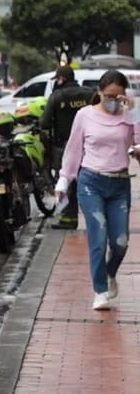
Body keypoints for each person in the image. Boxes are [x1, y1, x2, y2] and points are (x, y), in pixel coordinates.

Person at [55, 70, 140, 310]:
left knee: (121, 241)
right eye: (109, 96)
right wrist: (64, 181)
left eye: (119, 97)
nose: (113, 101)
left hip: (119, 184)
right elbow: (73, 150)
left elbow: (138, 146)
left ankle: (110, 273)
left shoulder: (129, 117)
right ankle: (100, 290)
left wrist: (133, 113)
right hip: (91, 182)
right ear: (100, 93)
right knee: (99, 237)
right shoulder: (85, 115)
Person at [41, 65, 95, 230]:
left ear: (61, 79)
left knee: (68, 180)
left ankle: (69, 218)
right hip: (91, 143)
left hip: (67, 145)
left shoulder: (57, 96)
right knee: (92, 179)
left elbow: (45, 123)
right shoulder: (89, 93)